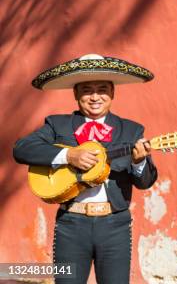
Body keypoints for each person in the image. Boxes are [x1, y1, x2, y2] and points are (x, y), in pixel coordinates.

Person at [13, 54, 158, 284]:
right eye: (86, 90)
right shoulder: (57, 124)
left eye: (102, 89)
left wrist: (140, 162)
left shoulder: (131, 131)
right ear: (75, 94)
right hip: (71, 223)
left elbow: (145, 182)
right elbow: (22, 149)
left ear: (112, 93)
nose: (94, 97)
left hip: (115, 226)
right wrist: (68, 155)